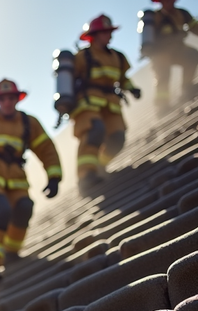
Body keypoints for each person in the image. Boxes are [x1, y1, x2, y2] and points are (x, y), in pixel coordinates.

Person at [0, 79, 62, 286]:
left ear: (18, 99)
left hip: (15, 178)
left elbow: (46, 148)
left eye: (11, 98)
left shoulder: (28, 123)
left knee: (24, 207)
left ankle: (11, 251)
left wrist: (54, 176)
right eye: (3, 99)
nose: (7, 102)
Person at [71, 14, 141, 190]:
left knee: (118, 138)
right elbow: (69, 80)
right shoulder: (82, 57)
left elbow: (122, 78)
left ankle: (100, 166)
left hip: (111, 104)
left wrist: (132, 88)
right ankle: (85, 175)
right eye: (104, 32)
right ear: (94, 35)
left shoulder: (117, 57)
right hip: (87, 104)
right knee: (95, 132)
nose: (109, 35)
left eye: (110, 31)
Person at [143, 0, 198, 114]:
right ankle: (162, 105)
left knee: (193, 55)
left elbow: (195, 27)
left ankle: (187, 87)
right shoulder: (155, 17)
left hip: (178, 50)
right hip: (160, 54)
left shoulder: (182, 13)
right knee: (163, 76)